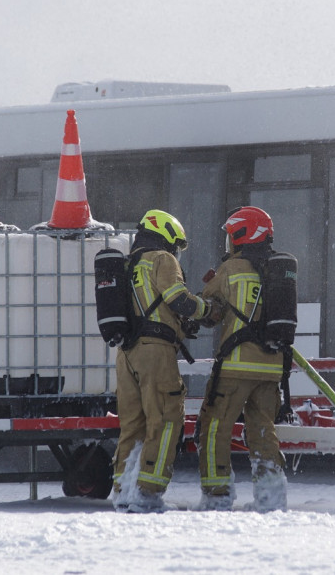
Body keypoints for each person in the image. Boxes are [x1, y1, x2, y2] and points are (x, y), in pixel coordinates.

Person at [112, 209, 215, 513]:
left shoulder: (130, 262)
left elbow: (151, 307)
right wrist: (207, 310)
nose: (177, 253)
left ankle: (123, 489)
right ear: (167, 234)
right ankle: (147, 494)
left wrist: (181, 325)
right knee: (166, 419)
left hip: (126, 352)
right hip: (155, 351)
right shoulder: (161, 258)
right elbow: (178, 299)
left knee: (132, 424)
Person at [196, 206, 289, 512]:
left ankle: (217, 495)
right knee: (262, 431)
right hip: (271, 367)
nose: (229, 244)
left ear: (242, 235)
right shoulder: (278, 272)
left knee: (214, 428)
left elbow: (208, 309)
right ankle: (271, 496)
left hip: (236, 365)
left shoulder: (231, 269)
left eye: (231, 237)